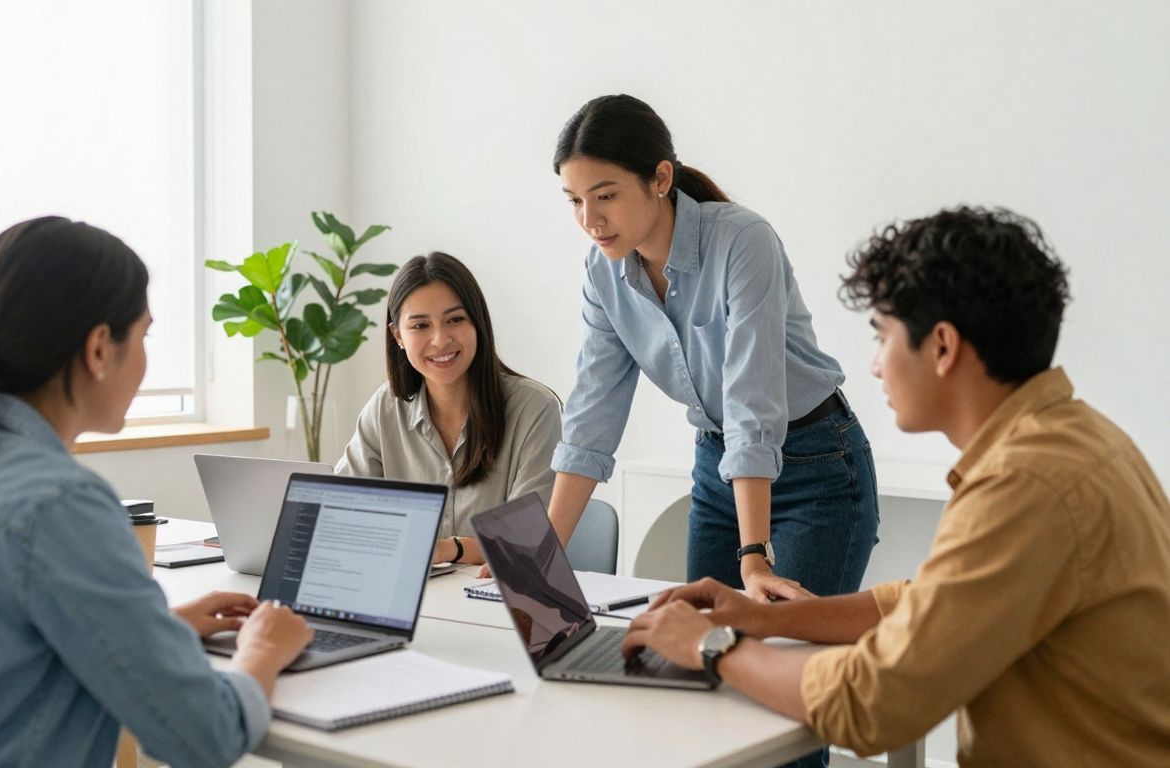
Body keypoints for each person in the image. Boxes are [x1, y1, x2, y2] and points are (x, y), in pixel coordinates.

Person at [620, 207, 1170, 765]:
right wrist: (765, 618)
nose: (876, 367)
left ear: (942, 346)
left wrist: (710, 645)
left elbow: (874, 703)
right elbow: (937, 603)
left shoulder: (1026, 484)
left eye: (882, 337)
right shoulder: (1075, 441)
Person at [0, 217, 313, 768]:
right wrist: (263, 652)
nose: (148, 359)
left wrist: (158, 629)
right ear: (100, 348)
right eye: (145, 334)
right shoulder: (59, 502)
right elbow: (206, 735)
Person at [547, 94, 878, 604]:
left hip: (815, 466)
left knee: (788, 649)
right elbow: (594, 412)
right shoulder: (602, 271)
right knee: (703, 645)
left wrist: (752, 553)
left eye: (605, 196)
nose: (590, 219)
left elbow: (752, 398)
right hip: (717, 463)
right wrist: (543, 555)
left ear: (659, 179)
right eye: (574, 200)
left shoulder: (743, 241)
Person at [336, 252, 561, 566]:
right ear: (398, 336)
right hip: (415, 596)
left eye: (455, 320)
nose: (440, 340)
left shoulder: (535, 409)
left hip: (502, 602)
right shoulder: (384, 409)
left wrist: (450, 549)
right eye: (420, 326)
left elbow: (528, 538)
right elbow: (343, 513)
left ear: (477, 323)